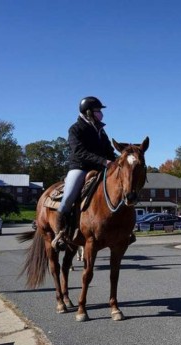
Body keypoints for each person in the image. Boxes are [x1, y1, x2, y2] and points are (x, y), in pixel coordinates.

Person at [52, 96, 117, 250]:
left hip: (101, 168)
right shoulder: (75, 129)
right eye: (98, 111)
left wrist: (117, 161)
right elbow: (79, 151)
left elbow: (109, 150)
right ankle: (60, 233)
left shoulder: (101, 130)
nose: (101, 113)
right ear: (88, 112)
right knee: (68, 198)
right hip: (80, 167)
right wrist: (103, 161)